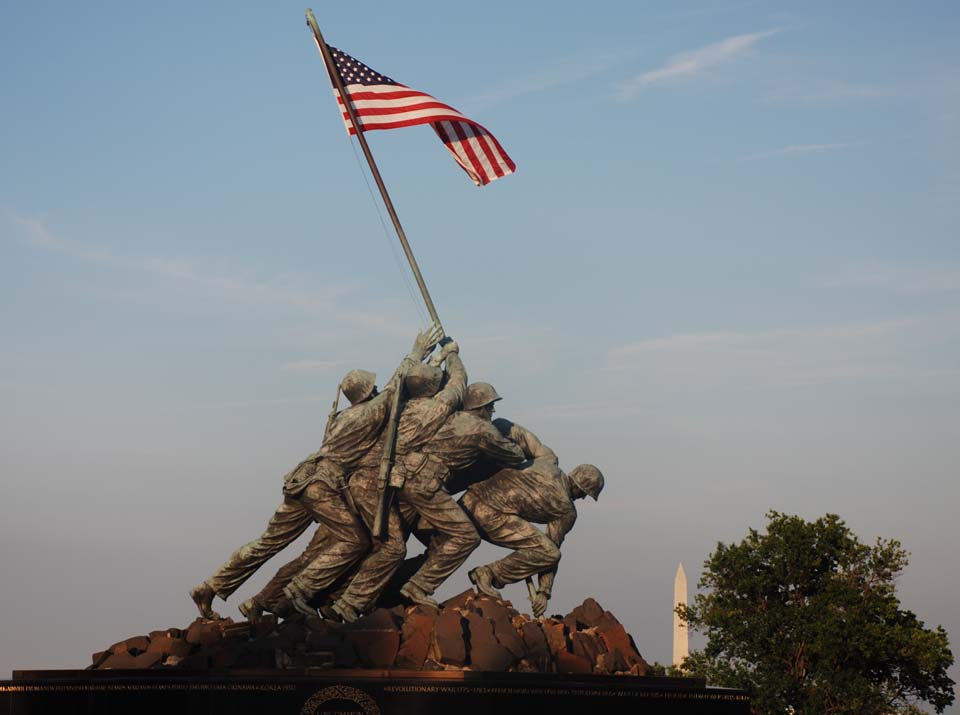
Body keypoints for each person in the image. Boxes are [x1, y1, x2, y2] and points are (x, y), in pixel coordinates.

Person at [188, 326, 442, 619]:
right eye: (372, 387)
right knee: (355, 540)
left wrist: (428, 366)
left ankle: (211, 586)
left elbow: (392, 393)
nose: (375, 389)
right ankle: (300, 591)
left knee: (267, 543)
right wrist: (416, 352)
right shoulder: (368, 413)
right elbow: (394, 390)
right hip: (322, 485)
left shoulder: (343, 417)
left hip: (302, 479)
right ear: (367, 392)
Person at [460, 418, 604, 618]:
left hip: (468, 499)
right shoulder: (566, 510)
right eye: (585, 495)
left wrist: (490, 427)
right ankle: (489, 573)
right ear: (582, 491)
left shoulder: (547, 459)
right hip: (490, 515)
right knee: (549, 553)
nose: (582, 498)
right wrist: (544, 592)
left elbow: (511, 429)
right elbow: (549, 554)